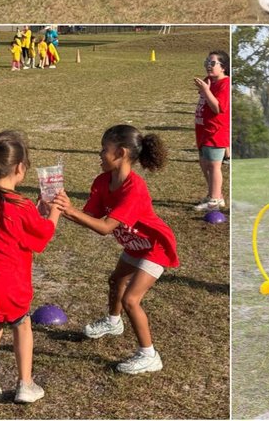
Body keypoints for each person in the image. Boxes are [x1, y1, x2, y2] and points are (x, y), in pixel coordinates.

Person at [54, 124, 177, 375]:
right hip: (134, 243)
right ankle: (113, 322)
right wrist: (58, 207)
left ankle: (149, 355)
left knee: (131, 300)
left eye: (103, 150)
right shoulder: (102, 181)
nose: (99, 155)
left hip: (154, 247)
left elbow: (105, 227)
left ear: (120, 153)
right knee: (116, 281)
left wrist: (70, 210)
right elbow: (90, 217)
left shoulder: (135, 188)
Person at [0, 131, 62, 404]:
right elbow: (41, 236)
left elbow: (14, 229)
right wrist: (55, 211)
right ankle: (25, 384)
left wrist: (37, 210)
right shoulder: (21, 206)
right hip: (6, 285)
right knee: (22, 323)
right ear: (19, 168)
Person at [193, 53, 230, 215]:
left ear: (223, 67)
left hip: (216, 131)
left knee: (214, 166)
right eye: (207, 61)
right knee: (204, 163)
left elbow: (217, 108)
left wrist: (206, 90)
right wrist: (205, 89)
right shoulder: (211, 81)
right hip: (203, 131)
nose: (208, 65)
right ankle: (215, 195)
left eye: (213, 62)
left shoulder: (225, 84)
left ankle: (214, 201)